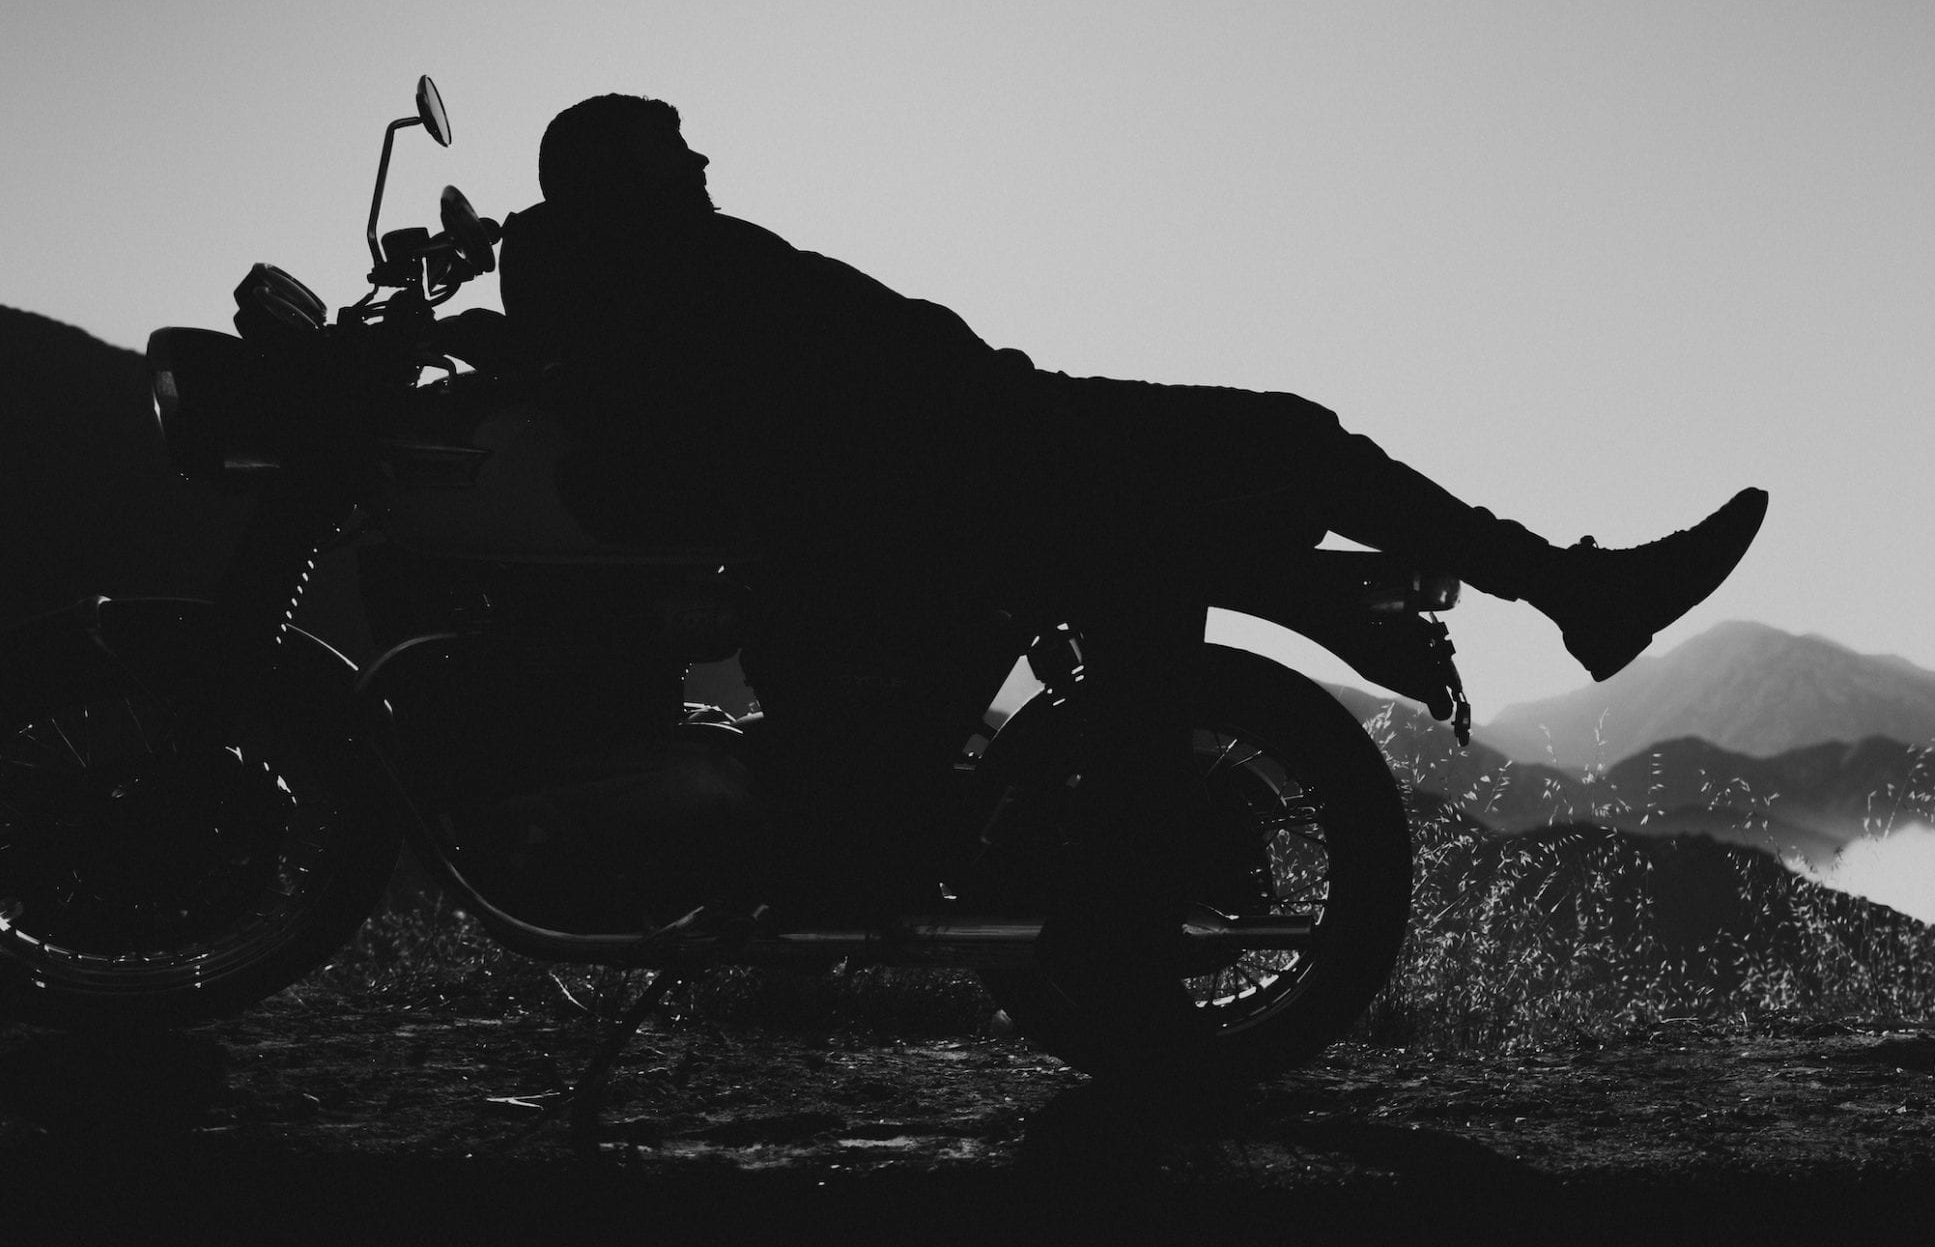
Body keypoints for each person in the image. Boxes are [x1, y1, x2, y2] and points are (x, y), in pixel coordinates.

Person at [496, 94, 1766, 992]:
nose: (705, 157)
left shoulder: (642, 278)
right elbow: (644, 433)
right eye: (674, 151)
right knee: (1269, 453)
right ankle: (1571, 593)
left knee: (1261, 458)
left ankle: (1566, 592)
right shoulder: (653, 283)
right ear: (624, 182)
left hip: (991, 432)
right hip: (981, 457)